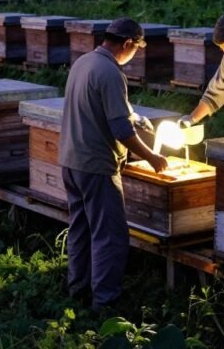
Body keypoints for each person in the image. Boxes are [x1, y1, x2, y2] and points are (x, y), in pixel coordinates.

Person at [59, 17, 169, 309]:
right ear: (128, 44)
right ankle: (105, 303)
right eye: (136, 49)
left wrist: (134, 116)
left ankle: (78, 289)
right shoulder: (110, 72)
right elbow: (120, 130)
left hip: (70, 160)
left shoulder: (83, 62)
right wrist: (152, 157)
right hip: (96, 166)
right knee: (110, 236)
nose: (135, 55)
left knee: (81, 228)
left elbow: (97, 107)